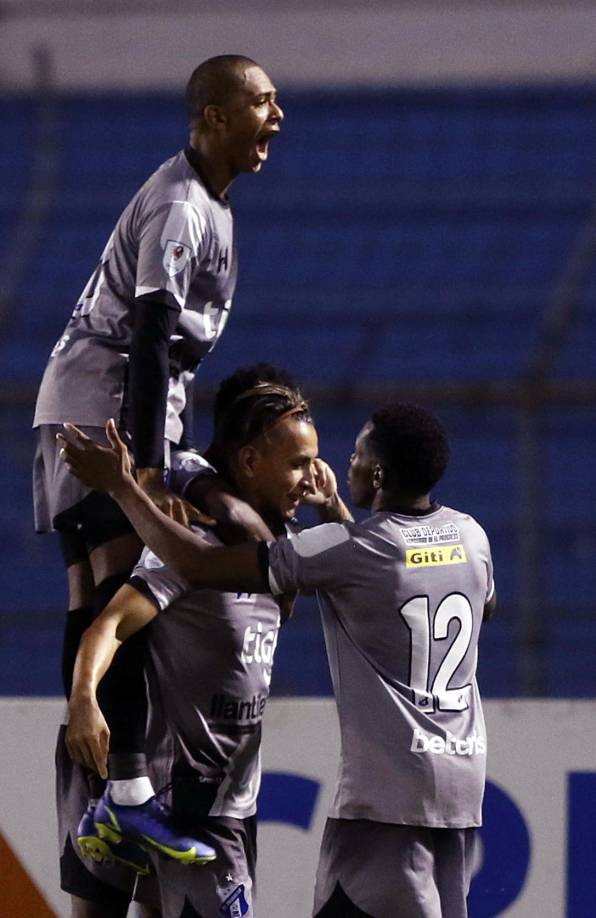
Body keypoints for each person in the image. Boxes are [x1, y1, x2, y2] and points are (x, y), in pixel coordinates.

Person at [60, 402, 496, 918]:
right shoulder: (470, 534)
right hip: (463, 789)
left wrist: (124, 488)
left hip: (388, 801)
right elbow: (472, 602)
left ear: (377, 473)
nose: (336, 467)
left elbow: (200, 563)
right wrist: (336, 508)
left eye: (355, 454)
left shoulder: (345, 548)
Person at [33, 55, 283, 917]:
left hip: (125, 415)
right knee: (128, 571)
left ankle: (100, 760)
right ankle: (127, 791)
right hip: (101, 411)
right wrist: (140, 472)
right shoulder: (181, 205)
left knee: (102, 586)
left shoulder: (211, 205)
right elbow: (145, 335)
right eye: (260, 101)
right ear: (212, 115)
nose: (276, 115)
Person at [64, 372, 350, 918]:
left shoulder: (282, 545)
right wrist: (84, 698)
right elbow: (112, 626)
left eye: (313, 461)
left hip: (230, 801)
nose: (308, 475)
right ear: (247, 462)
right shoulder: (196, 544)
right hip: (185, 806)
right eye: (296, 463)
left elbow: (355, 572)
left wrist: (331, 506)